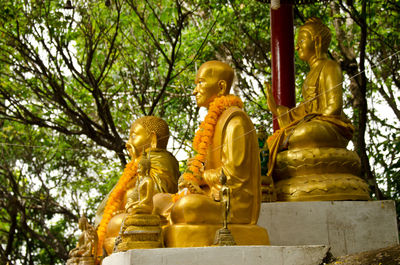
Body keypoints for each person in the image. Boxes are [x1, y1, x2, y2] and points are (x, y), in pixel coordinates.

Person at [155, 61, 269, 247]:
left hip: (232, 203)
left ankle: (176, 217)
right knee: (157, 201)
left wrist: (201, 177)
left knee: (185, 207)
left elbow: (234, 177)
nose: (195, 90)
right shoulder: (212, 122)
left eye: (200, 83)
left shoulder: (235, 121)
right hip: (208, 195)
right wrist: (193, 176)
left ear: (221, 86)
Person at [95, 116, 179, 255]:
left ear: (152, 139)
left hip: (149, 215)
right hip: (130, 216)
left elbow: (159, 192)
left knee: (118, 223)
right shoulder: (133, 168)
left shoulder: (163, 159)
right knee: (112, 225)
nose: (128, 143)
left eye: (133, 137)